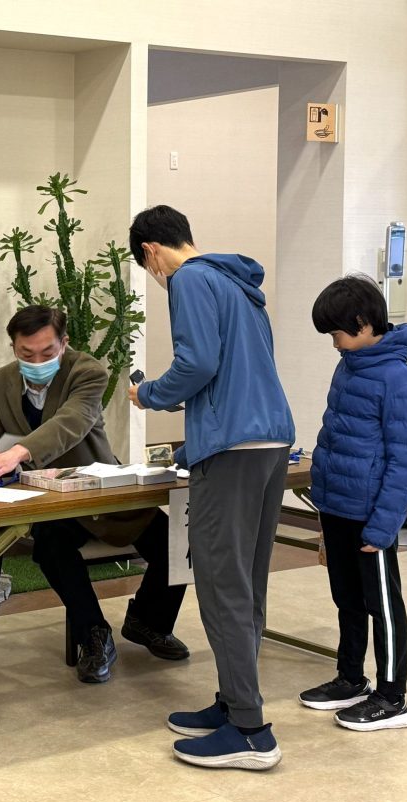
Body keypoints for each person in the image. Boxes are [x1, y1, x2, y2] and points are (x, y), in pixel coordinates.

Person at [127, 205, 295, 770]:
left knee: (223, 587)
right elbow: (235, 373)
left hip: (231, 452)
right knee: (245, 584)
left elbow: (197, 365)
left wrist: (148, 394)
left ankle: (249, 730)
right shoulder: (238, 284)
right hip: (270, 442)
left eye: (148, 268)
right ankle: (232, 702)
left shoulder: (189, 279)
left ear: (150, 251)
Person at [0, 305, 188, 684]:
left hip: (100, 493)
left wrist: (18, 452)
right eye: (26, 354)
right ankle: (94, 635)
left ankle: (147, 621)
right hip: (47, 501)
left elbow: (72, 421)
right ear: (13, 347)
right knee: (51, 545)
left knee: (180, 543)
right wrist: (0, 458)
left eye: (47, 352)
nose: (37, 362)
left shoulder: (87, 371)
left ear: (64, 342)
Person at [299, 274, 407, 730]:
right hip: (337, 507)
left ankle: (393, 697)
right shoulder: (348, 366)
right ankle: (351, 678)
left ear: (363, 322)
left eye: (337, 332)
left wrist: (384, 526)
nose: (334, 342)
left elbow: (403, 461)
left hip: (371, 515)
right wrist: (323, 503)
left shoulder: (399, 380)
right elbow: (335, 434)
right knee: (347, 598)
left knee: (382, 605)